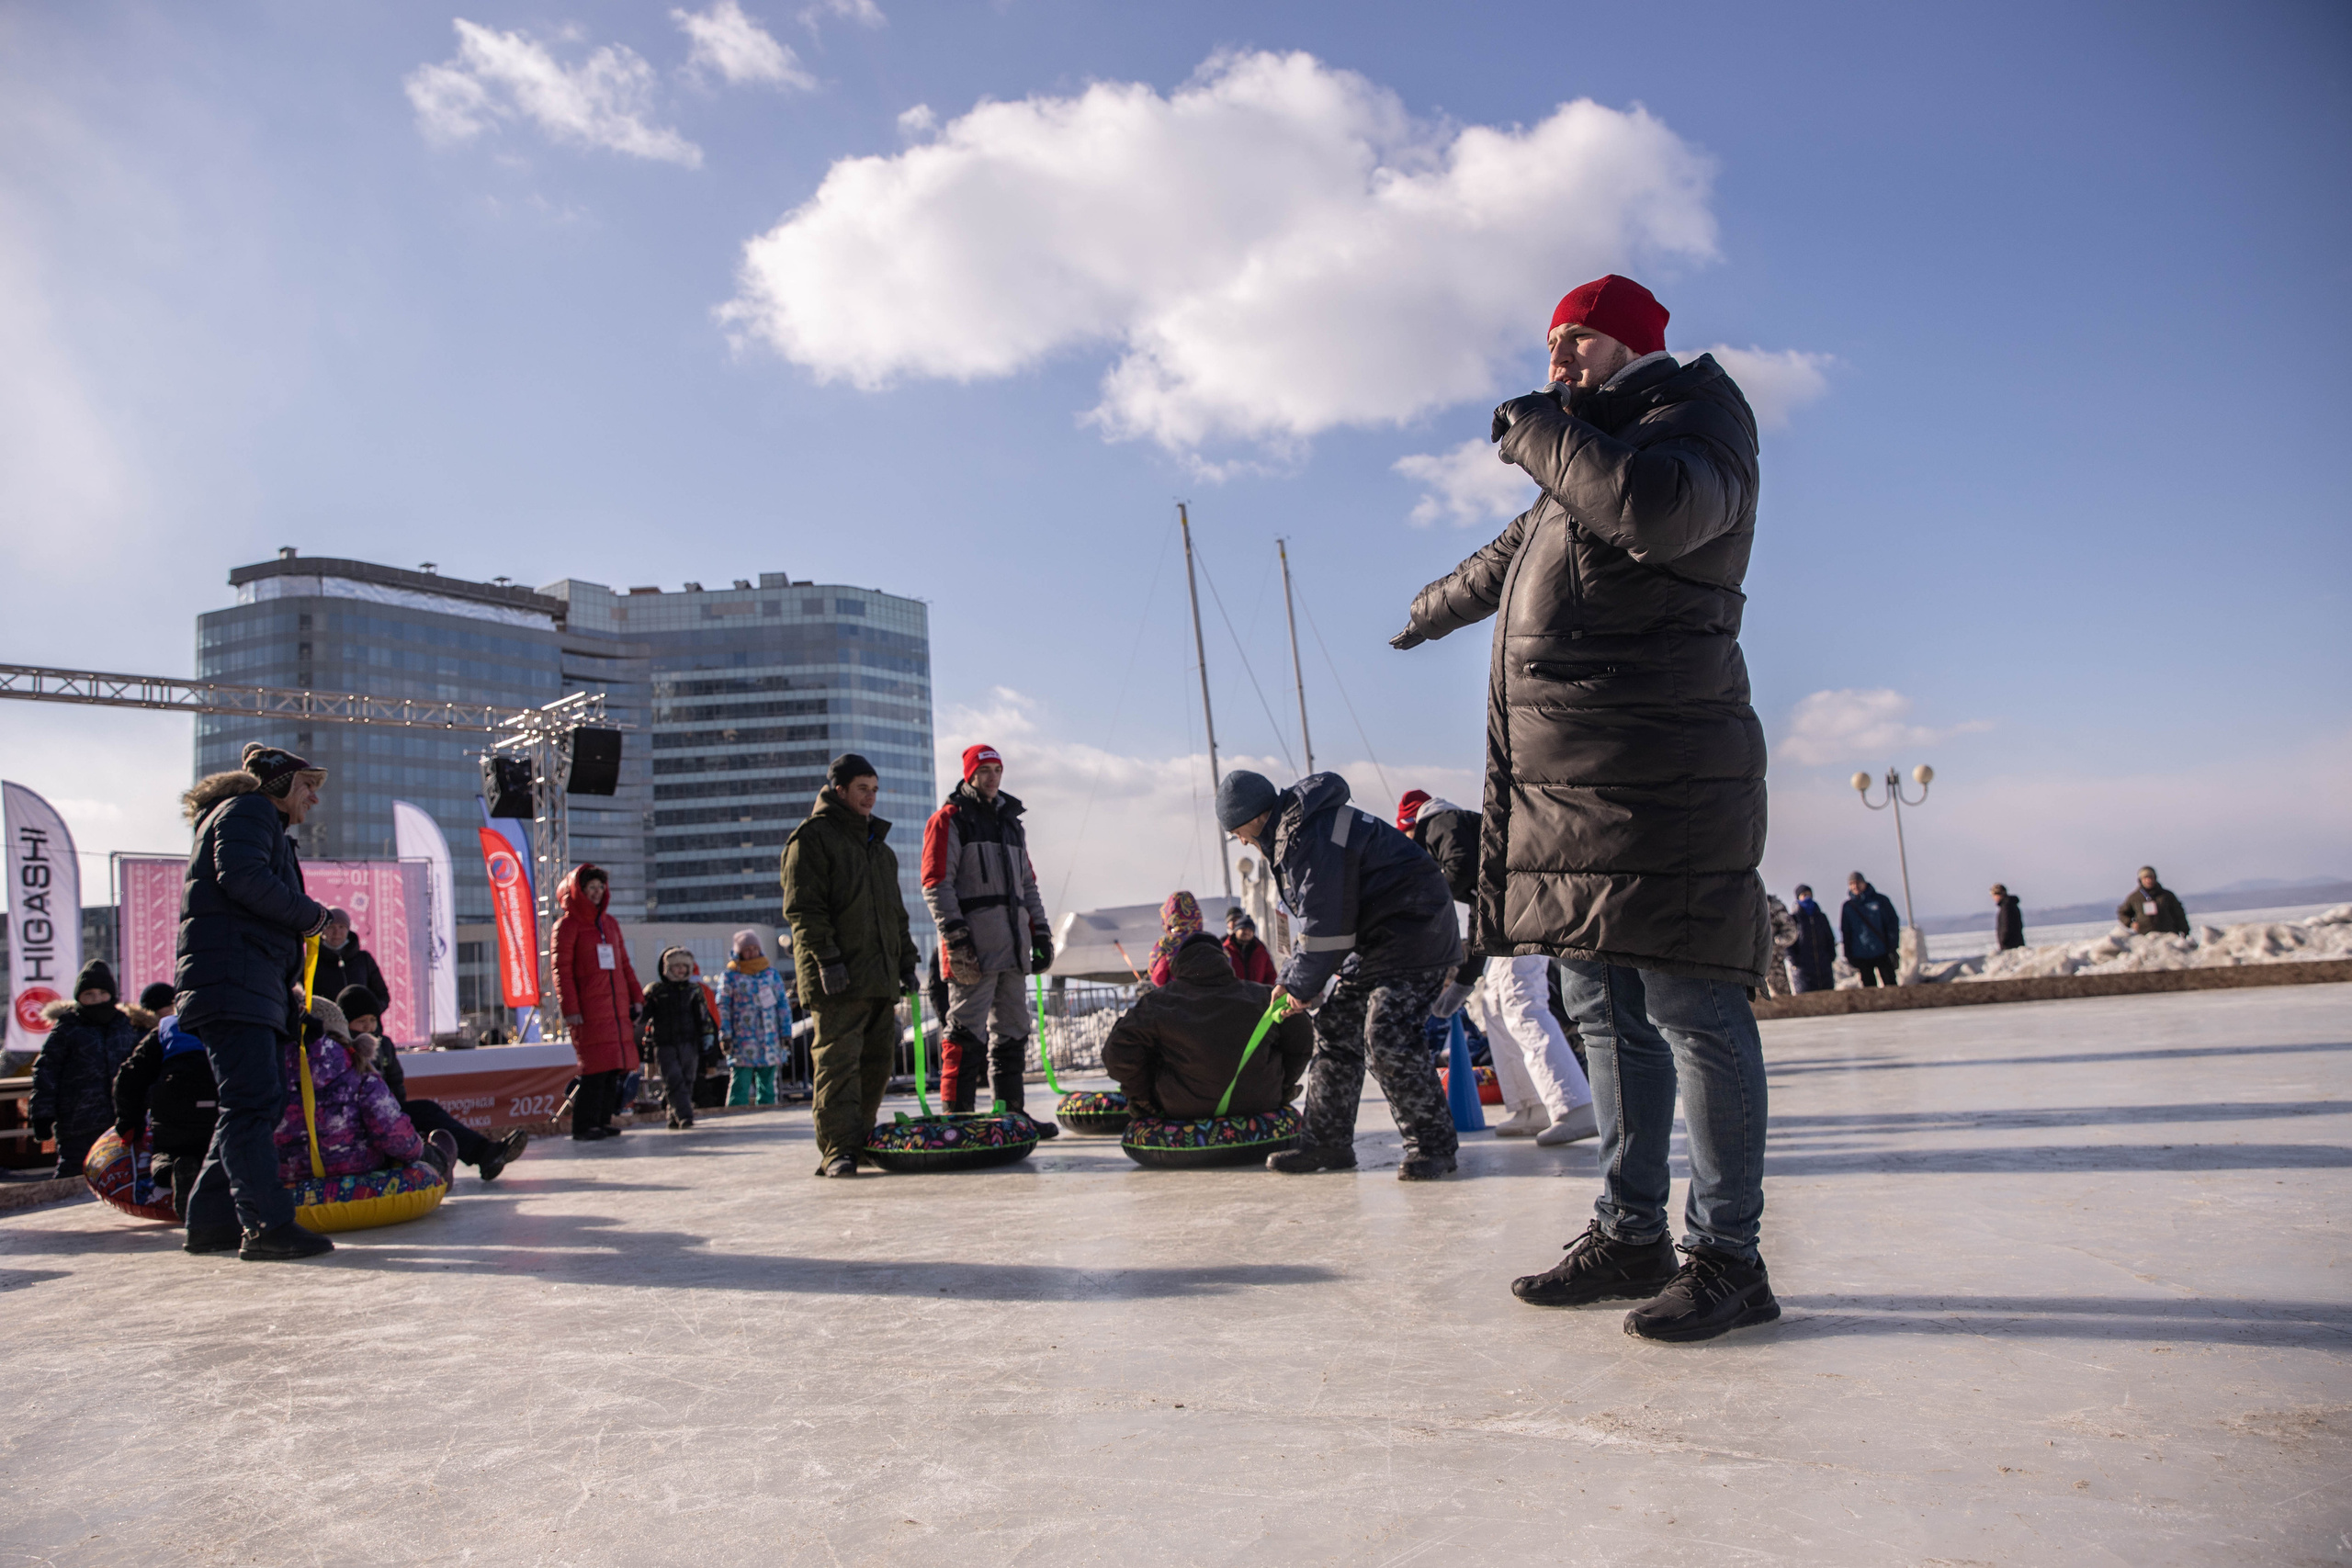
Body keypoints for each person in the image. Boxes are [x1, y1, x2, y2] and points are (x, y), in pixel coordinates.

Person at [1389, 275, 1779, 1340]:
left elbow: (1654, 512)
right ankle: (1630, 1232)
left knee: (1692, 1009)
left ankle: (1729, 1257)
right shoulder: (1588, 452)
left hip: (1666, 778)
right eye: (1552, 346)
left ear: (1629, 343)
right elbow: (1509, 558)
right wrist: (1424, 613)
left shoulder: (1694, 425)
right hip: (1575, 788)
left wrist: (1542, 432)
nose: (1557, 361)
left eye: (1576, 342)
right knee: (1601, 1008)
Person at [1216, 769, 1463, 1180]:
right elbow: (1320, 925)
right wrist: (1291, 980)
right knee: (1335, 1028)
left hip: (1415, 935)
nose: (1241, 841)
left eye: (1238, 831)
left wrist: (1299, 985)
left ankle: (1432, 1145)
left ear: (1253, 818)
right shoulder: (1297, 830)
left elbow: (1327, 926)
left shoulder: (1309, 835)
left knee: (1387, 1034)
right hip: (1376, 943)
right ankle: (1326, 1142)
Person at [175, 743, 338, 1261]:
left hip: (245, 981)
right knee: (251, 1104)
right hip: (234, 982)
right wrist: (312, 915)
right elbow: (243, 878)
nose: (313, 798)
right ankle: (267, 1225)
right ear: (280, 786)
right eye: (307, 787)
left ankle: (210, 1221)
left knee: (251, 1104)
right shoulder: (249, 809)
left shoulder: (253, 820)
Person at [1399, 791, 1596, 1146]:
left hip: (1526, 909)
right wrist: (1463, 982)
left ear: (1411, 828)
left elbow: (1457, 869)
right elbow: (1479, 918)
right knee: (1494, 1002)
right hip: (1510, 916)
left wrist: (1419, 908)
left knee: (1521, 1001)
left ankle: (1574, 1105)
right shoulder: (1467, 846)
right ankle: (1531, 1105)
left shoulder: (1441, 823)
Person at [783, 753, 917, 1178]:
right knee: (838, 1063)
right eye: (863, 789)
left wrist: (907, 963)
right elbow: (804, 910)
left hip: (878, 974)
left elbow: (896, 915)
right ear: (839, 790)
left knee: (876, 1064)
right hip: (837, 977)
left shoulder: (880, 848)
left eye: (875, 790)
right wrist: (828, 960)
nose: (870, 798)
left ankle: (859, 1141)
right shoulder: (812, 839)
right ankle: (837, 1149)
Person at [920, 744, 1055, 1122]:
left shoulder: (1013, 824)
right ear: (969, 775)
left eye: (998, 769)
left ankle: (1009, 1114)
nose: (993, 777)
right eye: (985, 770)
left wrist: (1040, 934)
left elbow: (1028, 886)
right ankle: (957, 1116)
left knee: (1013, 1031)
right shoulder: (949, 819)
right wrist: (956, 937)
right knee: (965, 1031)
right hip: (973, 949)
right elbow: (936, 883)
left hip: (1013, 949)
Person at [1102, 931, 1314, 1119]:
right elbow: (1302, 1037)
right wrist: (1283, 1083)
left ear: (1179, 964)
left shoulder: (1157, 1003)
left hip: (1181, 1106)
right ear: (1224, 962)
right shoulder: (1261, 997)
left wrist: (1142, 1096)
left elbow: (1117, 1052)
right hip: (1260, 1100)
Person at [342, 987, 526, 1179]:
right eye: (361, 1022)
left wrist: (394, 1112)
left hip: (387, 1112)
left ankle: (483, 1152)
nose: (368, 1027)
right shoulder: (343, 1050)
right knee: (423, 1113)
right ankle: (463, 1156)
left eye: (372, 1020)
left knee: (426, 1111)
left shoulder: (384, 1045)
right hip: (358, 1118)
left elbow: (396, 1084)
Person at [275, 995, 455, 1185]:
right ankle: (441, 1163)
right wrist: (418, 1150)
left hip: (289, 1184)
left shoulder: (267, 1075)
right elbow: (395, 1136)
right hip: (358, 1180)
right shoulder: (357, 1074)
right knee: (418, 1159)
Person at [548, 862, 642, 1144]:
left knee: (613, 1068)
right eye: (591, 887)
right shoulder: (567, 926)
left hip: (614, 1008)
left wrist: (637, 997)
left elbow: (624, 964)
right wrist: (571, 1009)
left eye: (601, 887)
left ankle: (602, 1120)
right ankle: (584, 1125)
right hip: (589, 1009)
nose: (598, 892)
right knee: (594, 1069)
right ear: (578, 891)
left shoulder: (609, 924)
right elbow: (561, 971)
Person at [29, 960, 145, 1179]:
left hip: (122, 1121)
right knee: (72, 1177)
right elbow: (46, 1071)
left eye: (102, 993)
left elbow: (142, 1071)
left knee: (121, 1177)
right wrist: (42, 1114)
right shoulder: (67, 1028)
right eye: (89, 994)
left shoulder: (127, 1027)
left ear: (112, 995)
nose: (96, 999)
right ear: (79, 997)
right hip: (77, 1122)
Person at [111, 982, 216, 1217]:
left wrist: (129, 1121)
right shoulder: (228, 1024)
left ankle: (168, 1171)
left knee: (167, 1150)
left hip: (174, 1102)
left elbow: (129, 1077)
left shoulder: (165, 1029)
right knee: (218, 1150)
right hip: (218, 1097)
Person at [639, 948, 719, 1128]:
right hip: (665, 1043)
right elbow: (645, 1018)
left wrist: (708, 1039)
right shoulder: (657, 990)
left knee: (687, 1079)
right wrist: (640, 1004)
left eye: (685, 966)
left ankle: (673, 1115)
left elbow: (703, 1017)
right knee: (673, 1078)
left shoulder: (694, 991)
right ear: (667, 968)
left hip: (689, 1042)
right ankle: (685, 1115)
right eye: (676, 966)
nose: (681, 969)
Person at [718, 931, 792, 1109]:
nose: (751, 953)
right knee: (740, 1082)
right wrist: (725, 1034)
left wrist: (785, 1032)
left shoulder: (770, 974)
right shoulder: (730, 976)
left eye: (755, 948)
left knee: (768, 1083)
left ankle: (768, 1114)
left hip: (769, 1037)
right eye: (747, 949)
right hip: (742, 1039)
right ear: (739, 952)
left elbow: (782, 1004)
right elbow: (723, 1007)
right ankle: (735, 1115)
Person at [310, 908, 390, 1018]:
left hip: (363, 1030)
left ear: (348, 929)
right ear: (323, 930)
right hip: (328, 1029)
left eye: (341, 927)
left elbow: (382, 995)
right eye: (331, 927)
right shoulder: (312, 960)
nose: (336, 932)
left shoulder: (364, 959)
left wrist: (369, 1014)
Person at [1840, 873, 1902, 987]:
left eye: (1857, 883)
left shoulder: (1880, 901)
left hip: (1882, 951)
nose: (1855, 886)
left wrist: (1892, 947)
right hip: (1861, 953)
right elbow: (1846, 931)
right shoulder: (1848, 907)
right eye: (1851, 884)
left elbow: (1892, 924)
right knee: (1869, 990)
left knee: (1891, 985)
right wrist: (1848, 953)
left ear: (1864, 883)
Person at [1147, 892, 1204, 989]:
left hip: (1177, 998)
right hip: (1211, 999)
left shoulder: (1165, 944)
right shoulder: (1210, 940)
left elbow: (1158, 977)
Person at [1787, 886, 1837, 992]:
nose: (1807, 898)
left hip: (1824, 966)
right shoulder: (1794, 919)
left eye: (1809, 894)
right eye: (1804, 895)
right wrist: (1794, 960)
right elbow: (1789, 942)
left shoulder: (1821, 917)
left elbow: (1829, 938)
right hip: (1804, 969)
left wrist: (1831, 956)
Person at [2119, 866, 2189, 936]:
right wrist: (2131, 924)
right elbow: (2122, 913)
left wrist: (2185, 930)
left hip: (2168, 935)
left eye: (2151, 877)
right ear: (2140, 880)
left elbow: (2179, 914)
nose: (2149, 880)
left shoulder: (2167, 895)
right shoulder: (2134, 898)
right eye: (2145, 878)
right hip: (2144, 937)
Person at [1224, 909, 1278, 985]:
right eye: (1243, 929)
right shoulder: (1225, 950)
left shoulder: (1261, 951)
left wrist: (1266, 992)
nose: (1246, 932)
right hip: (1233, 994)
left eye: (1250, 930)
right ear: (1236, 931)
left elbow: (1271, 975)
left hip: (1257, 994)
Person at [1764, 895, 1797, 998]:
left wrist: (1774, 943)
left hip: (1774, 964)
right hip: (1747, 968)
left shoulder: (1774, 906)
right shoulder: (1740, 904)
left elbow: (1791, 931)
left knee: (1783, 1002)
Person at [1992, 884, 2027, 951]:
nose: (1994, 898)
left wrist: (2003, 940)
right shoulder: (2010, 904)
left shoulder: (2006, 906)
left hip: (2010, 945)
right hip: (2015, 942)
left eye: (1994, 895)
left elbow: (2006, 923)